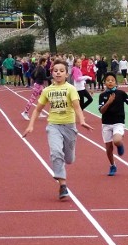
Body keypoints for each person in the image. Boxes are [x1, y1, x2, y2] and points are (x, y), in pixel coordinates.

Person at [22, 59, 93, 200]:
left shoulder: (71, 89)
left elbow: (77, 106)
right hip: (53, 126)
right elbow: (37, 110)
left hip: (69, 126)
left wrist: (82, 120)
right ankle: (62, 185)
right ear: (52, 73)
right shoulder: (47, 91)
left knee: (69, 159)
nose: (58, 73)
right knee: (55, 152)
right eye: (55, 70)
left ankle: (62, 168)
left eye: (61, 71)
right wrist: (31, 125)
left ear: (67, 74)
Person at [98, 72, 128, 176]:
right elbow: (101, 111)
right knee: (108, 148)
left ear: (116, 82)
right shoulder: (102, 96)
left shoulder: (121, 93)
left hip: (118, 122)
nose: (110, 82)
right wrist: (109, 102)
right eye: (108, 80)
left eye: (112, 80)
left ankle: (120, 145)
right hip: (106, 123)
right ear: (105, 83)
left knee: (117, 140)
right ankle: (112, 165)